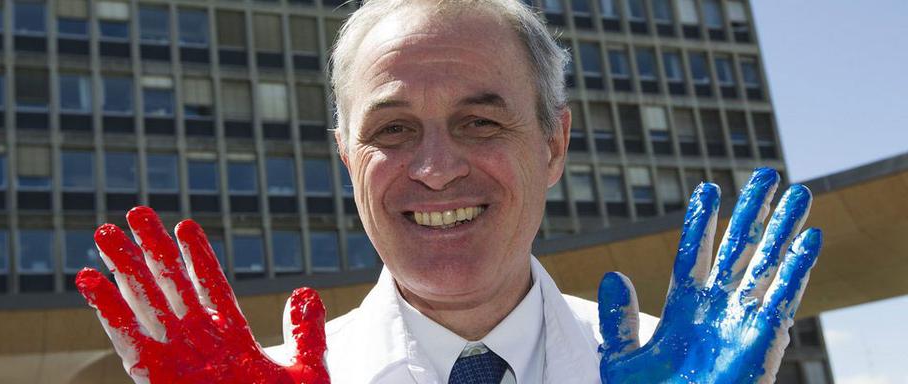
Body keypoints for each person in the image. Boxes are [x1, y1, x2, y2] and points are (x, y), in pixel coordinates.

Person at [77, 0, 822, 383]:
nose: (435, 168)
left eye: (480, 122)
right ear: (346, 158)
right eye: (393, 131)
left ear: (554, 143)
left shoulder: (692, 367)